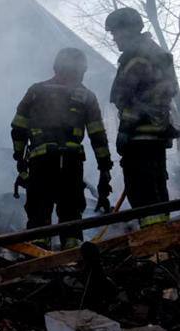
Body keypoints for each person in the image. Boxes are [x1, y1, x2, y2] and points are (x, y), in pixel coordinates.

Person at [11, 47, 112, 248]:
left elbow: (18, 129)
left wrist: (21, 162)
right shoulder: (87, 96)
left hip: (41, 163)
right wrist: (104, 169)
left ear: (57, 67)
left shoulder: (36, 91)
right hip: (71, 165)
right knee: (71, 214)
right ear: (80, 70)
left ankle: (38, 261)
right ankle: (72, 261)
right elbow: (98, 137)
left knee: (39, 213)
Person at [104, 7, 180, 226]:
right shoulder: (154, 52)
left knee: (142, 192)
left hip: (139, 137)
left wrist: (125, 130)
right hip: (156, 136)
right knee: (156, 191)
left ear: (128, 30)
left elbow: (133, 99)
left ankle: (153, 245)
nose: (115, 38)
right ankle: (162, 243)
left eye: (115, 33)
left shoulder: (137, 57)